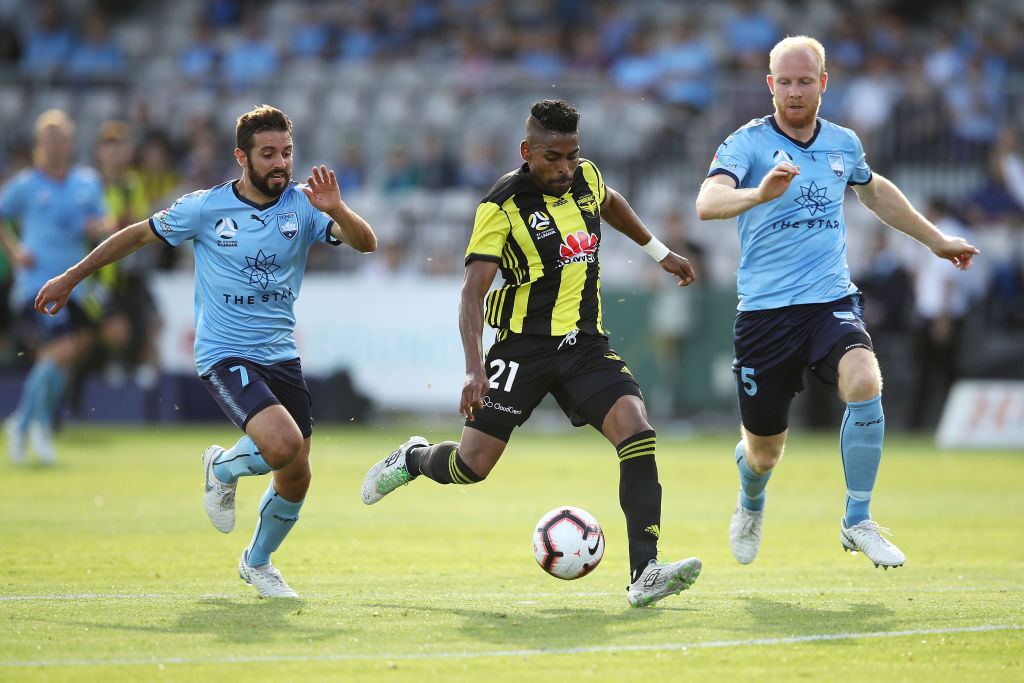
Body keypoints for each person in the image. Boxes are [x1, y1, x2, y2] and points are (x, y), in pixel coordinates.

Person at [361, 99, 702, 608]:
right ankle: (412, 459)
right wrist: (475, 369)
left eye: (572, 155)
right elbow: (471, 293)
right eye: (552, 158)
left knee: (637, 431)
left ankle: (644, 572)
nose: (565, 168)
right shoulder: (499, 207)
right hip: (522, 349)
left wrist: (659, 252)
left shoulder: (585, 177)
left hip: (585, 344)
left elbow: (611, 202)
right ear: (527, 152)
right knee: (470, 467)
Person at [34, 105, 377, 596]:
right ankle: (220, 468)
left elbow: (366, 244)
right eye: (268, 154)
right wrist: (71, 277)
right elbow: (136, 236)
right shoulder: (205, 207)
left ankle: (257, 562)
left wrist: (336, 208)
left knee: (296, 473)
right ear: (242, 157)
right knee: (282, 445)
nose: (281, 163)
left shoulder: (304, 205)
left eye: (287, 153)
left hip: (280, 353)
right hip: (224, 351)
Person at [695, 36, 979, 570]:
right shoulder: (747, 143)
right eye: (785, 81)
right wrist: (759, 194)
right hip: (763, 315)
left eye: (806, 81)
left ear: (823, 83)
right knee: (764, 452)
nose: (795, 91)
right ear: (770, 85)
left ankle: (858, 520)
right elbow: (707, 202)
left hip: (830, 301)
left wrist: (936, 240)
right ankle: (751, 498)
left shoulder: (843, 144)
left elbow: (873, 191)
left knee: (865, 381)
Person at [0, 109, 110, 464]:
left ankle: (23, 422)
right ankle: (38, 425)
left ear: (70, 142)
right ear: (39, 145)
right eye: (48, 138)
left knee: (67, 353)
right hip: (36, 286)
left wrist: (98, 227)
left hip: (75, 285)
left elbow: (104, 220)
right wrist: (16, 251)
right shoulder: (26, 184)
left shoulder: (87, 182)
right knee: (60, 351)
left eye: (60, 138)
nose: (55, 145)